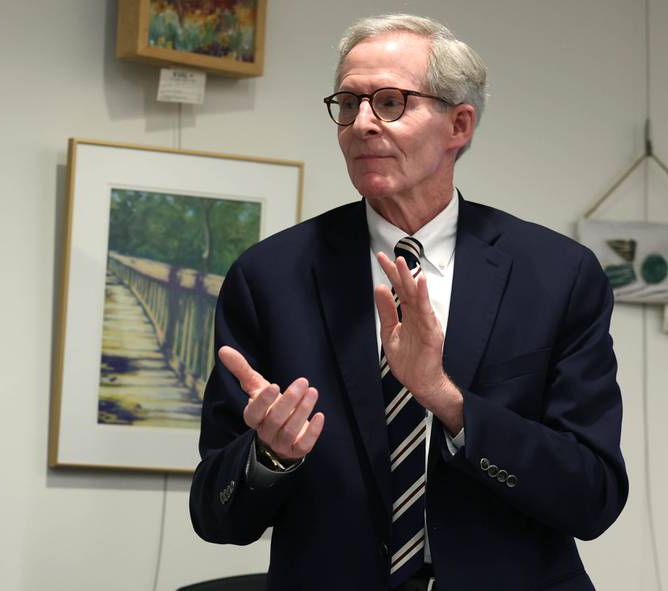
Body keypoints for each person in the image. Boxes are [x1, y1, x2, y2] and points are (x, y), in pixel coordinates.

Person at [189, 13, 628, 591]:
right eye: (348, 103)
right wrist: (269, 457)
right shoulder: (269, 277)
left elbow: (591, 496)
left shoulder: (557, 275)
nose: (362, 124)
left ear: (459, 124)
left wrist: (446, 400)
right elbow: (214, 515)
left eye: (391, 102)